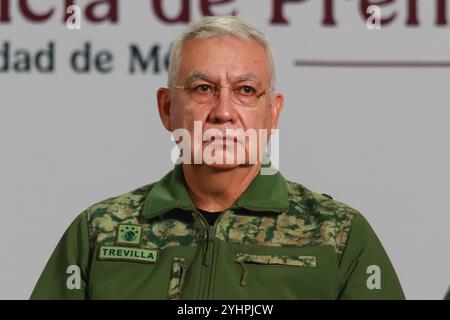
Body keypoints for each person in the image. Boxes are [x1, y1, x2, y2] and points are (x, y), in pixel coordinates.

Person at [31, 16, 405, 300]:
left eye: (245, 90)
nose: (223, 111)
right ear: (167, 108)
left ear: (273, 113)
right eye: (203, 88)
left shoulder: (338, 237)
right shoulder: (98, 231)